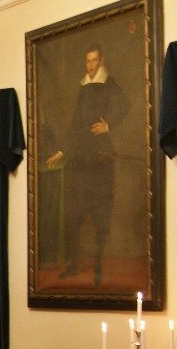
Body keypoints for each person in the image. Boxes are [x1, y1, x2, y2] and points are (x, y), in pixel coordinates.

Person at [45, 42, 128, 287]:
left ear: (101, 61)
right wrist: (62, 151)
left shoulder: (108, 83)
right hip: (79, 160)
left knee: (101, 213)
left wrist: (108, 124)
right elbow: (76, 124)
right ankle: (73, 264)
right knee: (74, 213)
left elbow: (125, 105)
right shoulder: (83, 87)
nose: (90, 65)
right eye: (87, 61)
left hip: (100, 158)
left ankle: (99, 266)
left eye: (94, 60)